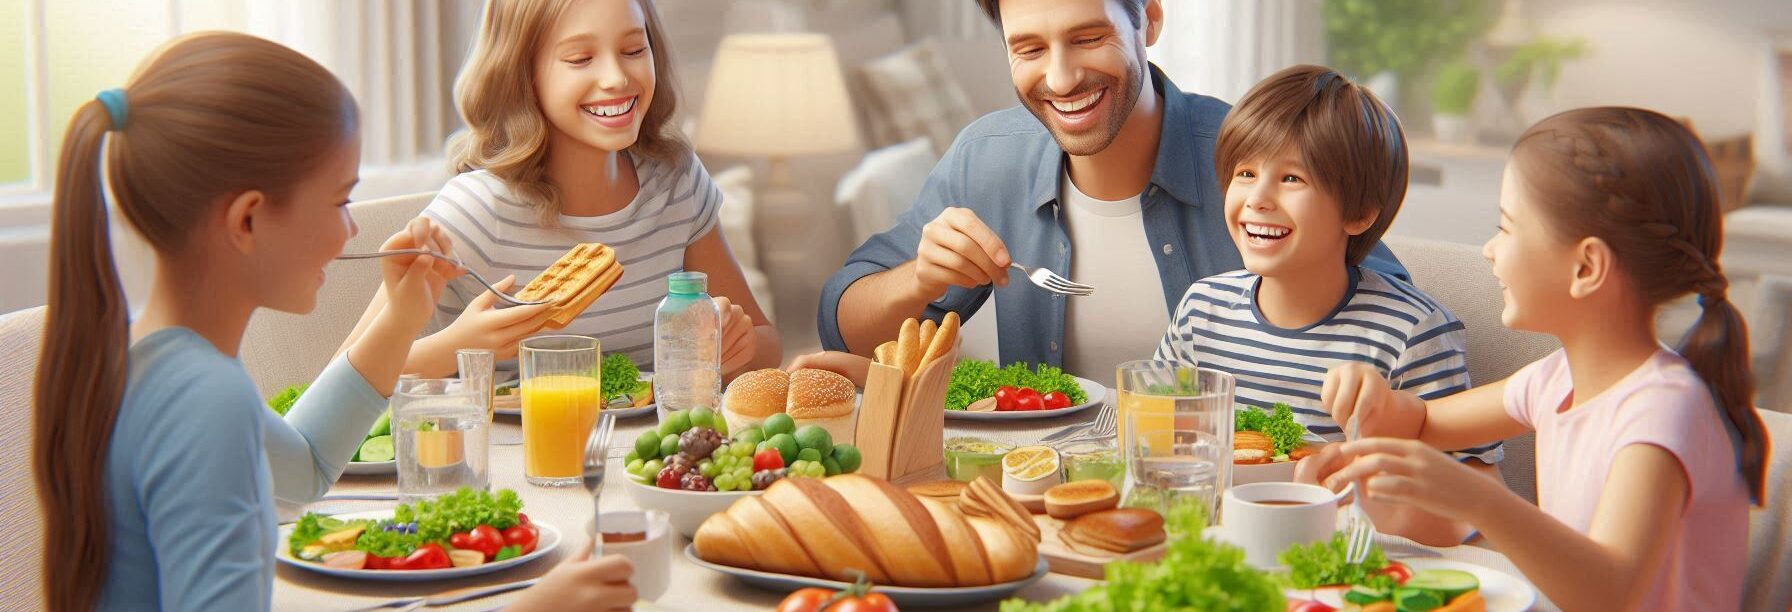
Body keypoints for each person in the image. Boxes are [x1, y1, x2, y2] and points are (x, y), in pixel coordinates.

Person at [33, 32, 635, 611]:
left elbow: (303, 470)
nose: (352, 231)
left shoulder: (151, 359)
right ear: (247, 221)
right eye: (341, 200)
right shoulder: (206, 400)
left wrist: (402, 318)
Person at [1310, 107, 1765, 610]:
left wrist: (1478, 498)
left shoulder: (1662, 412)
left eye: (1506, 227)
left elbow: (1610, 592)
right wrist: (1374, 398)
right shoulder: (1555, 379)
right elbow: (1421, 424)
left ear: (1586, 266)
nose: (1488, 249)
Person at [816, 0, 1406, 377]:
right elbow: (843, 329)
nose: (1062, 77)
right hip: (1048, 502)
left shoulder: (1254, 162)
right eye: (1029, 48)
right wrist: (919, 280)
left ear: (1148, 20)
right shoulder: (987, 160)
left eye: (1088, 37)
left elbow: (1391, 305)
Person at [1152, 65, 1498, 546]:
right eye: (1246, 173)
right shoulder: (1201, 310)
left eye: (1291, 178)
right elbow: (1156, 440)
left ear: (1358, 213)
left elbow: (1482, 498)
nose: (1258, 199)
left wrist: (1369, 500)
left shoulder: (1411, 332)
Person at [348, 0, 780, 379]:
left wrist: (731, 348)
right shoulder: (476, 212)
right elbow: (336, 383)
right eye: (579, 58)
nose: (615, 78)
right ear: (522, 74)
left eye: (633, 49)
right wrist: (456, 347)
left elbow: (765, 344)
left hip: (652, 464)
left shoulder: (675, 183)